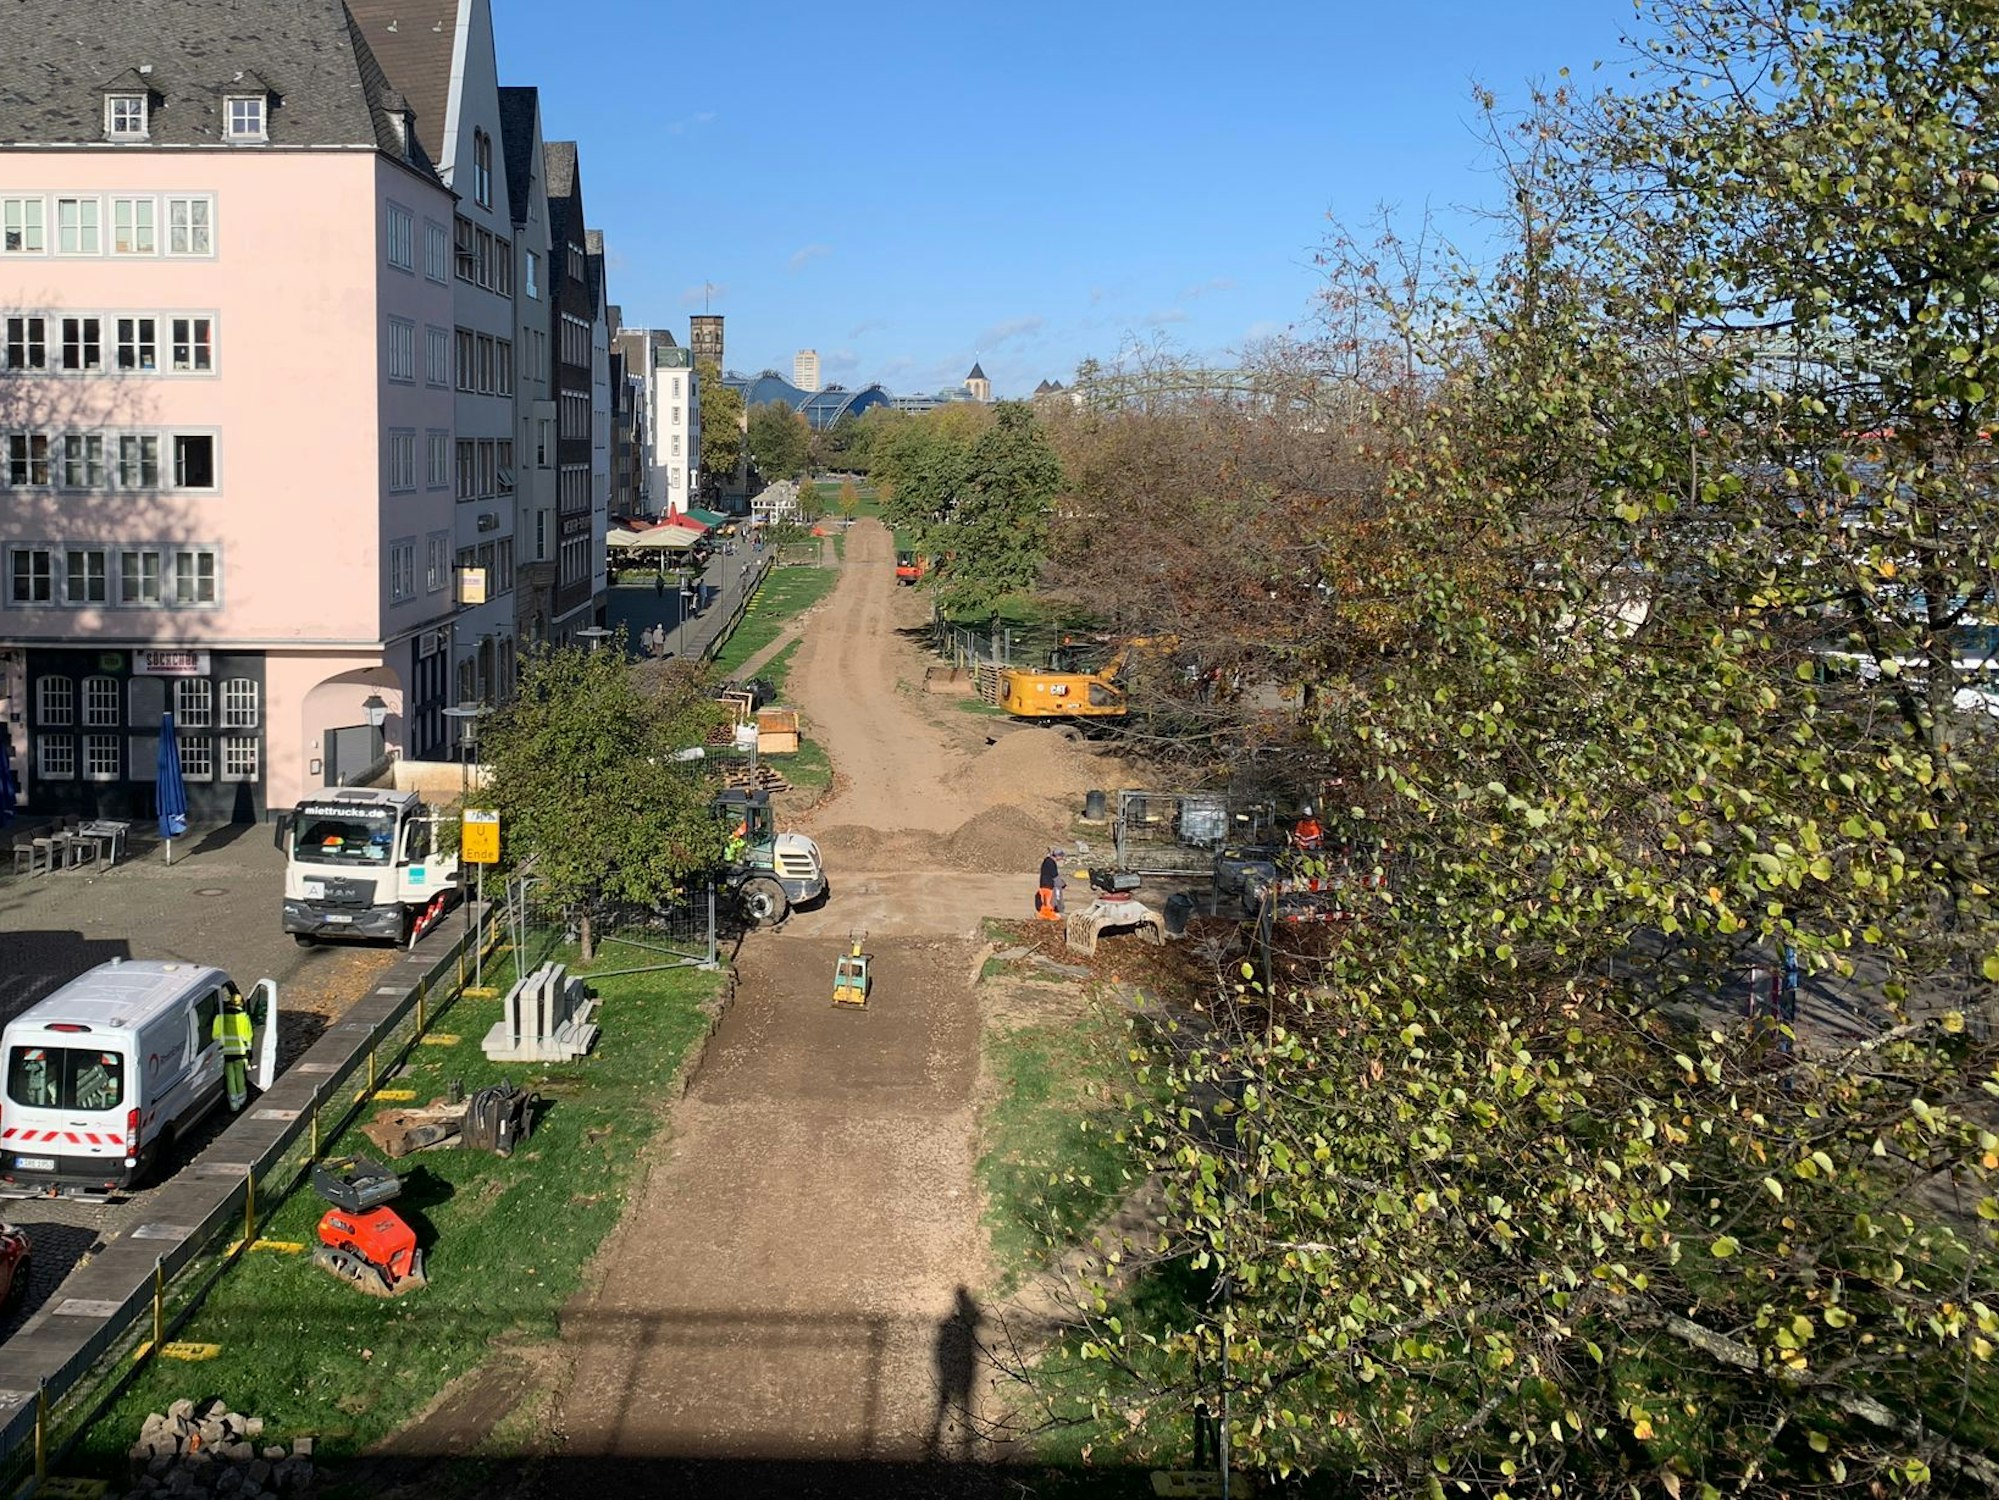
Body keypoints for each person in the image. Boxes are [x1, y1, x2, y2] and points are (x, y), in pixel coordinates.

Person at [214, 988, 254, 1112]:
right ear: (240, 1003)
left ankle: (233, 1102)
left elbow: (215, 1034)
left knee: (229, 1076)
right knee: (239, 1074)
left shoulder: (220, 1017)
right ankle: (242, 1097)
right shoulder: (243, 1017)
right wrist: (249, 1052)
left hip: (225, 1052)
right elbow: (248, 1036)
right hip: (240, 1052)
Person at [1035, 848, 1067, 920]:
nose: (1061, 859)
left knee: (1046, 902)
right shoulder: (1051, 863)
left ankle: (1045, 915)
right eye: (1061, 857)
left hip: (1044, 885)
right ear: (1058, 856)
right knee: (1049, 903)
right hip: (1048, 886)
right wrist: (1062, 884)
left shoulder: (1047, 861)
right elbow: (1055, 876)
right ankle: (1046, 916)